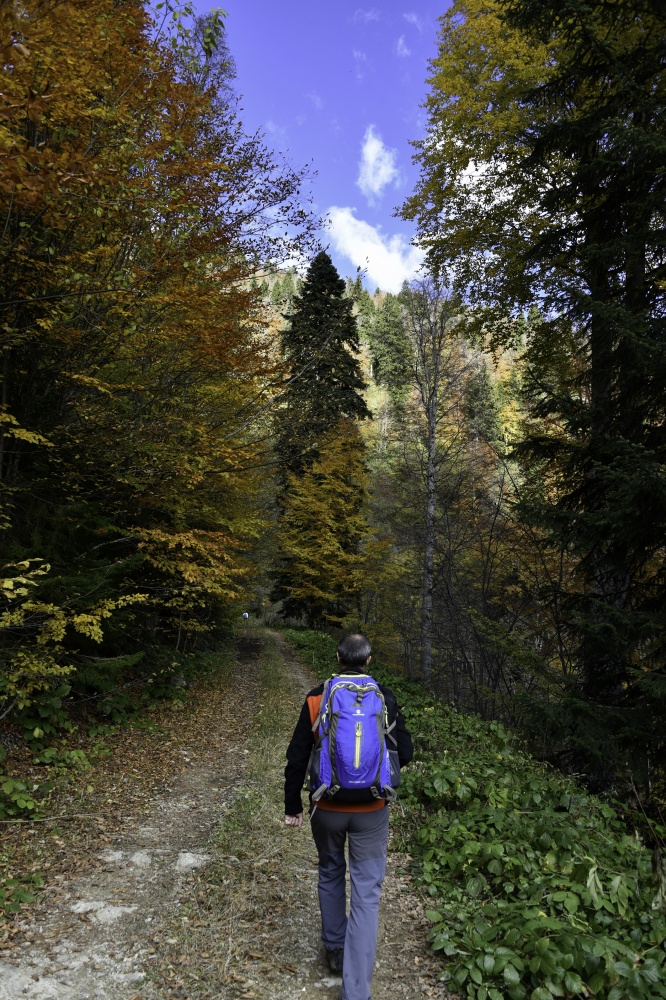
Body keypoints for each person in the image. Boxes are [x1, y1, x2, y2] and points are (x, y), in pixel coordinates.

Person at [284, 633, 413, 1000]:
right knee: (366, 895)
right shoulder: (384, 698)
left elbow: (296, 758)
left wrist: (292, 805)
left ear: (338, 658)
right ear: (369, 660)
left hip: (326, 807)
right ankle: (355, 992)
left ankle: (334, 947)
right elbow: (406, 751)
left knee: (330, 870)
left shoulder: (316, 697)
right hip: (372, 810)